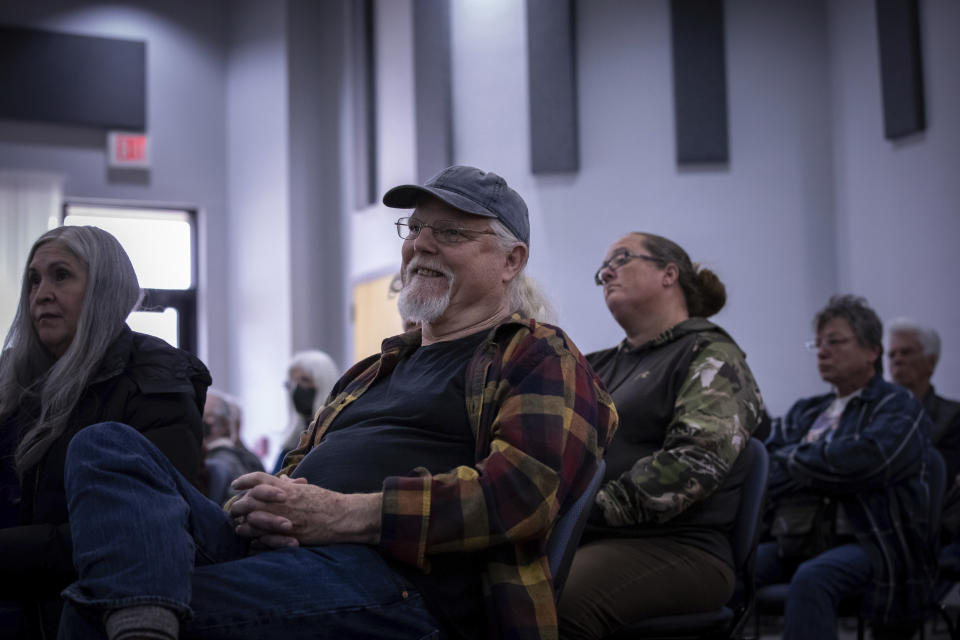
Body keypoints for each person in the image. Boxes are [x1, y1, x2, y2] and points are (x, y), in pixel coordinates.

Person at [58, 165, 617, 640]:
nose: (421, 244)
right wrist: (264, 507)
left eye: (449, 232)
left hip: (401, 583)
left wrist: (346, 516)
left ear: (511, 260)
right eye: (416, 227)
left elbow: (523, 492)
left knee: (95, 606)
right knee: (106, 446)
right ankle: (143, 615)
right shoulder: (371, 370)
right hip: (291, 554)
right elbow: (298, 474)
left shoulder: (537, 354)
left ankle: (140, 616)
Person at [0, 226, 210, 640]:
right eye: (34, 279)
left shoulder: (155, 380)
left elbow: (139, 534)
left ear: (104, 289)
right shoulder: (13, 383)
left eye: (61, 275)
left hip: (94, 614)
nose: (42, 293)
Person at [557, 232, 764, 639]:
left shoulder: (712, 355)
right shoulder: (595, 366)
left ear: (669, 274)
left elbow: (695, 462)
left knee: (550, 605)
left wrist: (580, 513)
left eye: (622, 258)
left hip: (681, 547)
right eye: (602, 270)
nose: (606, 272)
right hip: (591, 535)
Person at [757, 295, 935, 640]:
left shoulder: (898, 405)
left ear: (871, 351)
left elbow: (868, 462)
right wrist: (821, 463)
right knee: (726, 567)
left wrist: (795, 458)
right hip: (799, 540)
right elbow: (766, 470)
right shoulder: (805, 411)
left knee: (813, 578)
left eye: (835, 342)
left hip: (872, 541)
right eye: (818, 344)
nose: (823, 352)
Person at [887, 318, 960, 480]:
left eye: (906, 352)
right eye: (892, 355)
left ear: (931, 362)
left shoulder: (954, 417)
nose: (897, 360)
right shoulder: (878, 414)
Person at [270, 350, 339, 474]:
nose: (296, 388)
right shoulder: (292, 441)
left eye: (305, 380)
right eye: (292, 383)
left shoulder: (334, 436)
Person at [203, 389, 264, 504]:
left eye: (208, 416)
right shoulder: (245, 456)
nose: (203, 421)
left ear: (226, 424)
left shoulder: (220, 462)